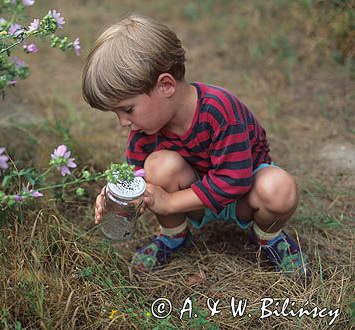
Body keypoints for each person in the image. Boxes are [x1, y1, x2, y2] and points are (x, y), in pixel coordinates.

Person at [82, 14, 306, 275]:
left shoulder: (219, 109)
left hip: (244, 195)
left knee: (280, 188)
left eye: (128, 109)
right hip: (195, 200)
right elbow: (137, 178)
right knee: (157, 166)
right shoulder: (146, 128)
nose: (123, 122)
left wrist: (168, 202)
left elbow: (235, 181)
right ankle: (173, 235)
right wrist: (117, 196)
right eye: (117, 114)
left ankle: (268, 237)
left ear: (165, 85)